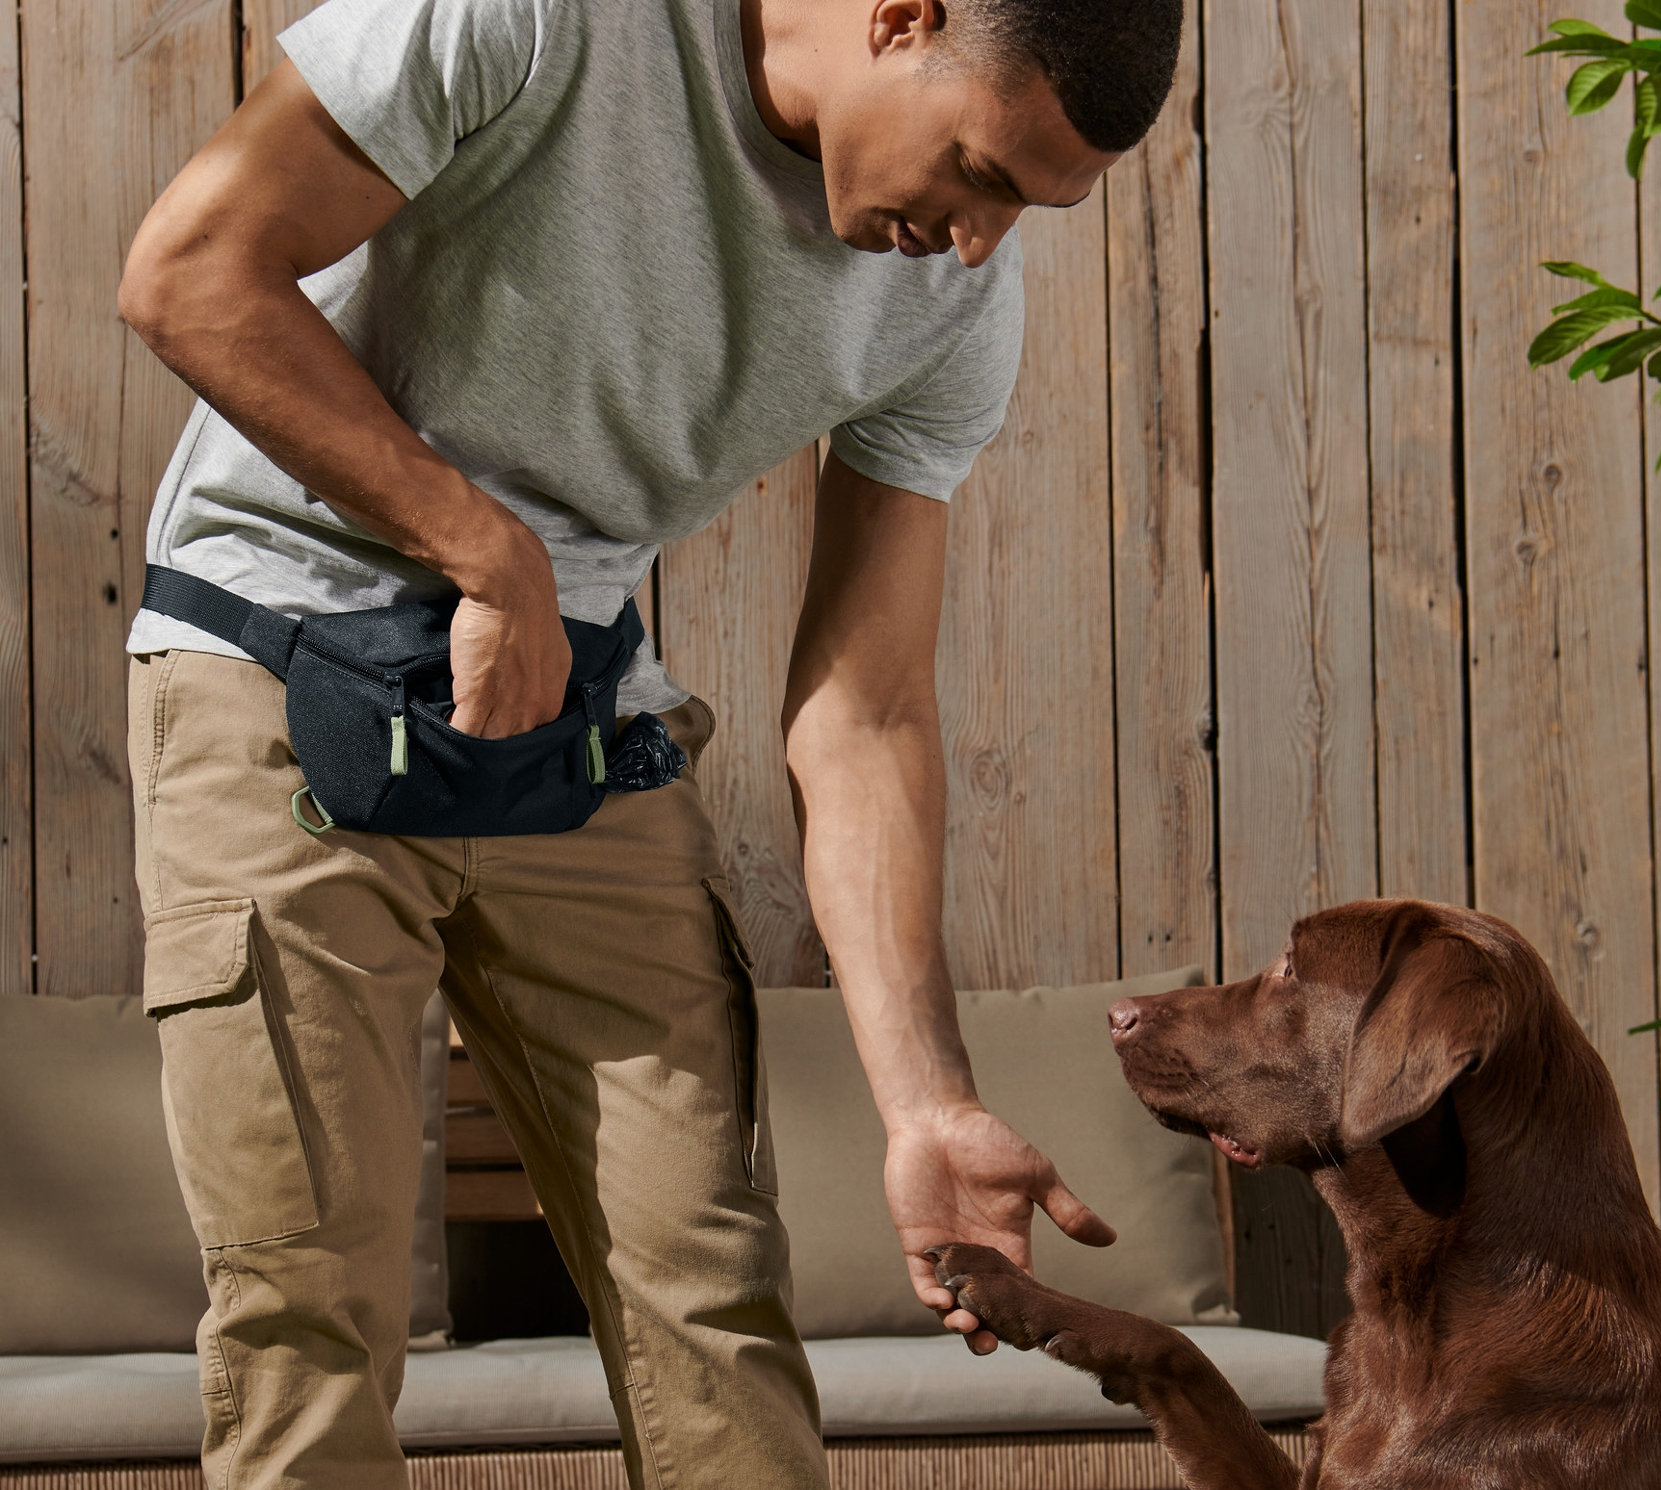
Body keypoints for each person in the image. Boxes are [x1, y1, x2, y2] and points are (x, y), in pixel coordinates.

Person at [116, 0, 1183, 1482]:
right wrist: (488, 552)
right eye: (982, 174)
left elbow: (868, 709)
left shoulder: (948, 299)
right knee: (311, 1312)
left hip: (576, 716)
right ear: (902, 18)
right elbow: (190, 271)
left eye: (1026, 212)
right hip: (279, 665)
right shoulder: (545, 18)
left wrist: (928, 1100)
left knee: (713, 1293)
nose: (978, 243)